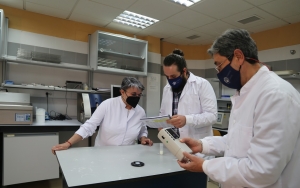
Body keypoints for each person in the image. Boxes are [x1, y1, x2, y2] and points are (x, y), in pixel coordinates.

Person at [178, 29, 300, 188]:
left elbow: (262, 171)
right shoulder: (245, 92)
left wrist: (205, 166)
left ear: (238, 56)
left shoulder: (275, 95)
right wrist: (202, 145)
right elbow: (237, 140)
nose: (219, 73)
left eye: (219, 65)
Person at [52, 77, 153, 154]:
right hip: (104, 154)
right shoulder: (107, 105)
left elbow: (142, 129)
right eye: (134, 94)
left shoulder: (140, 111)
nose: (137, 97)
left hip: (128, 154)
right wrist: (68, 143)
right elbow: (89, 126)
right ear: (122, 92)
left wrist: (143, 138)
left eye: (139, 95)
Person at [159, 49, 217, 159]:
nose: (170, 80)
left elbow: (212, 116)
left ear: (184, 71)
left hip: (198, 151)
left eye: (174, 76)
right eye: (167, 76)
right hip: (173, 147)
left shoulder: (202, 85)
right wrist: (161, 124)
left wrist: (187, 119)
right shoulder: (167, 88)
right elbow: (163, 112)